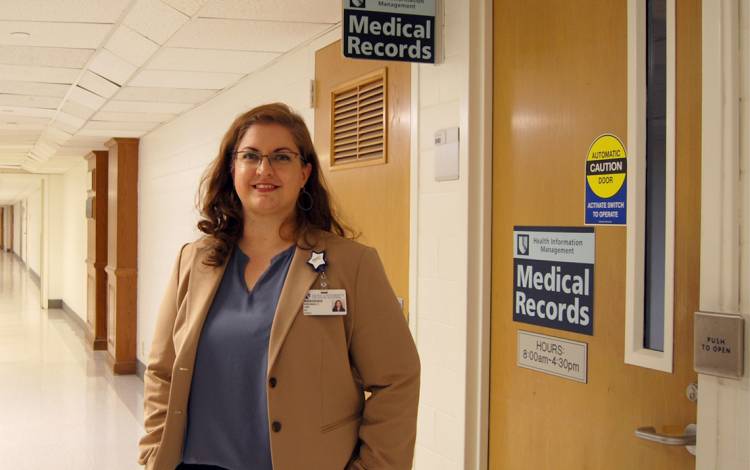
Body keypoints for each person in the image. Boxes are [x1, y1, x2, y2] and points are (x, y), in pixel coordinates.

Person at [138, 103, 420, 470]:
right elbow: (162, 369)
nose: (264, 169)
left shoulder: (351, 264)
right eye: (250, 156)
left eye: (281, 157)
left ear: (304, 173)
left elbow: (396, 379)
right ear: (232, 168)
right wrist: (153, 449)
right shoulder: (194, 261)